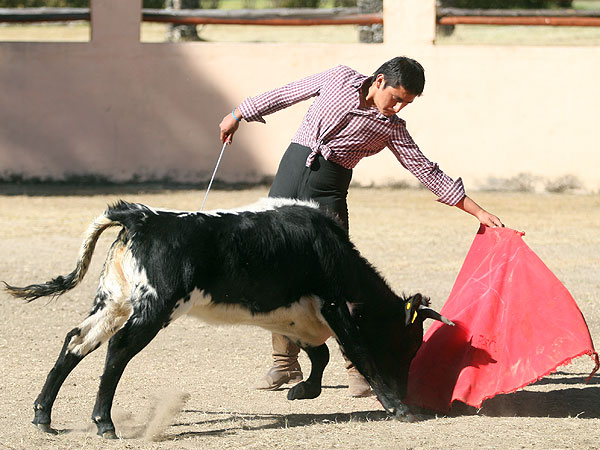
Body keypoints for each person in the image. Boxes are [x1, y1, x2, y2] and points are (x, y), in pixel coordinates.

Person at [218, 56, 503, 398]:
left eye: (406, 104)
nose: (397, 108)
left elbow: (426, 171)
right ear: (378, 81)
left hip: (328, 192)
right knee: (277, 273)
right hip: (289, 176)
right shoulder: (339, 78)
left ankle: (357, 367)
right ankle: (285, 362)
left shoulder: (392, 128)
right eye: (396, 98)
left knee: (337, 280)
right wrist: (238, 114)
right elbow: (287, 93)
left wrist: (477, 211)